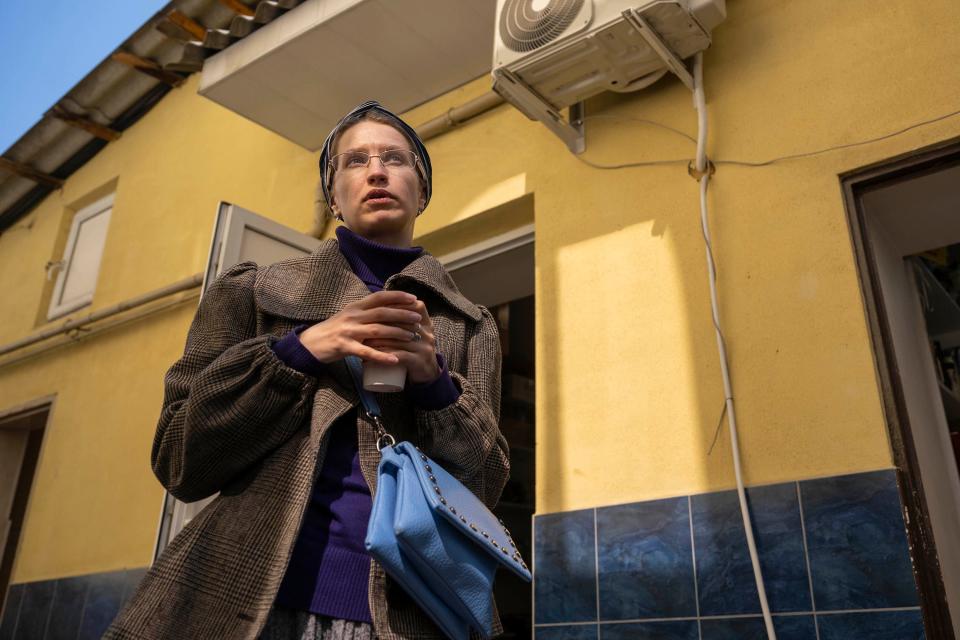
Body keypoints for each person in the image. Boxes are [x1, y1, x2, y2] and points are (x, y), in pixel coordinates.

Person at [106, 101, 510, 640]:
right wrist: (297, 352)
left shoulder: (468, 325)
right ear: (334, 198)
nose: (376, 171)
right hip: (247, 603)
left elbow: (485, 488)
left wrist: (436, 388)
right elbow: (179, 460)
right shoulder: (251, 293)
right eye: (354, 161)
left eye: (395, 158)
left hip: (410, 612)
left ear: (423, 191)